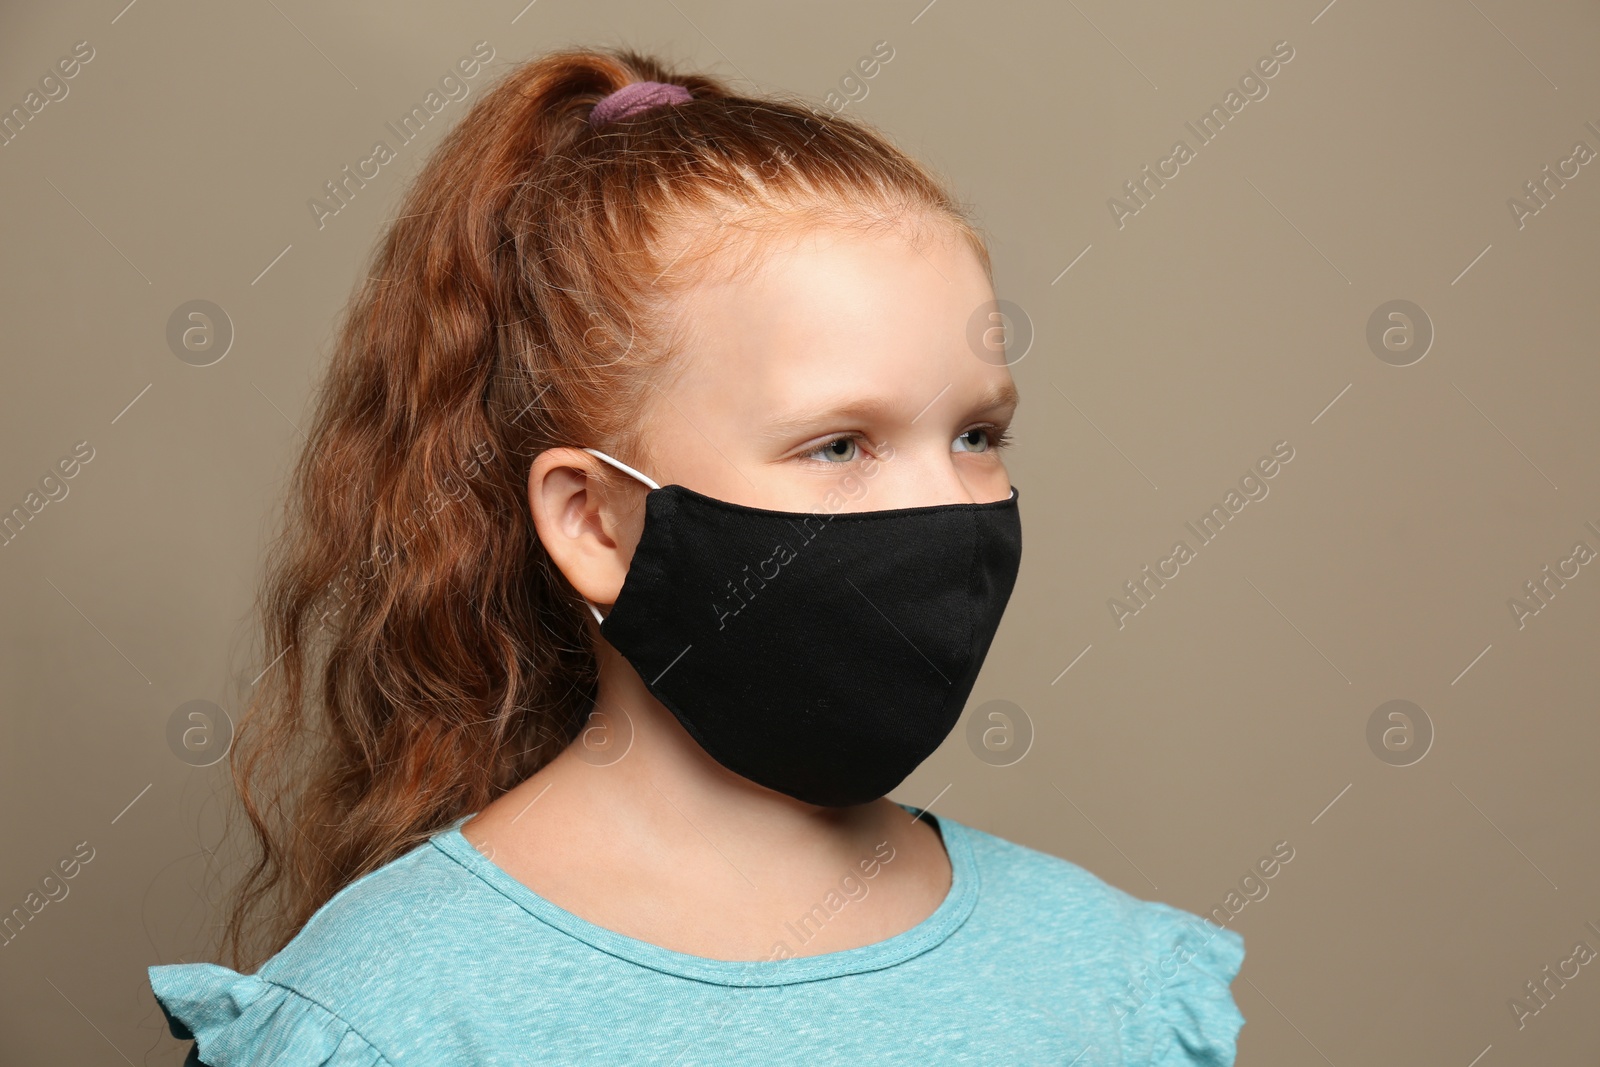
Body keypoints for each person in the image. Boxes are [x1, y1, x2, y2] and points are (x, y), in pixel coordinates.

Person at [146, 46, 1245, 1066]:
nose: (945, 507)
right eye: (839, 444)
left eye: (976, 435)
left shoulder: (1115, 982)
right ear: (594, 521)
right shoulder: (387, 1018)